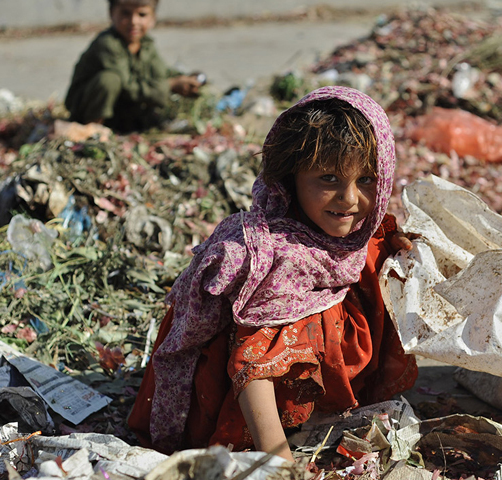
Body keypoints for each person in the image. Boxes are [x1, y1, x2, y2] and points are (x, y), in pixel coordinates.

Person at [128, 86, 418, 461]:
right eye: (328, 179)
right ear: (290, 177)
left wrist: (397, 242)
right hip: (230, 402)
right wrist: (279, 463)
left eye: (366, 180)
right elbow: (252, 369)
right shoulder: (272, 256)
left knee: (377, 258)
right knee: (305, 321)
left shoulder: (354, 234)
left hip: (279, 382)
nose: (349, 199)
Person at [64, 0, 201, 133]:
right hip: (85, 110)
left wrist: (184, 81)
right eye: (125, 13)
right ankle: (92, 131)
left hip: (121, 111)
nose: (133, 21)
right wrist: (170, 85)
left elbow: (160, 75)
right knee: (109, 79)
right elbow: (129, 88)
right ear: (112, 13)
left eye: (142, 15)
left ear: (153, 18)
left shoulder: (146, 44)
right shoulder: (107, 44)